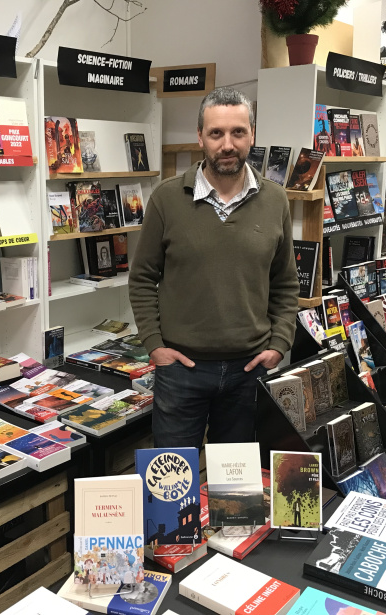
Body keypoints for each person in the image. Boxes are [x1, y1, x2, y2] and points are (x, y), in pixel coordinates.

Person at [129, 87, 299, 449]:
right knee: (171, 488)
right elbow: (142, 278)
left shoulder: (275, 200)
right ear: (200, 138)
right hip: (180, 370)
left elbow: (285, 282)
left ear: (252, 134)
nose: (227, 145)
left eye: (238, 132)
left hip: (248, 371)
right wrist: (154, 345)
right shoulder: (167, 199)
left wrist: (280, 343)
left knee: (235, 495)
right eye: (216, 133)